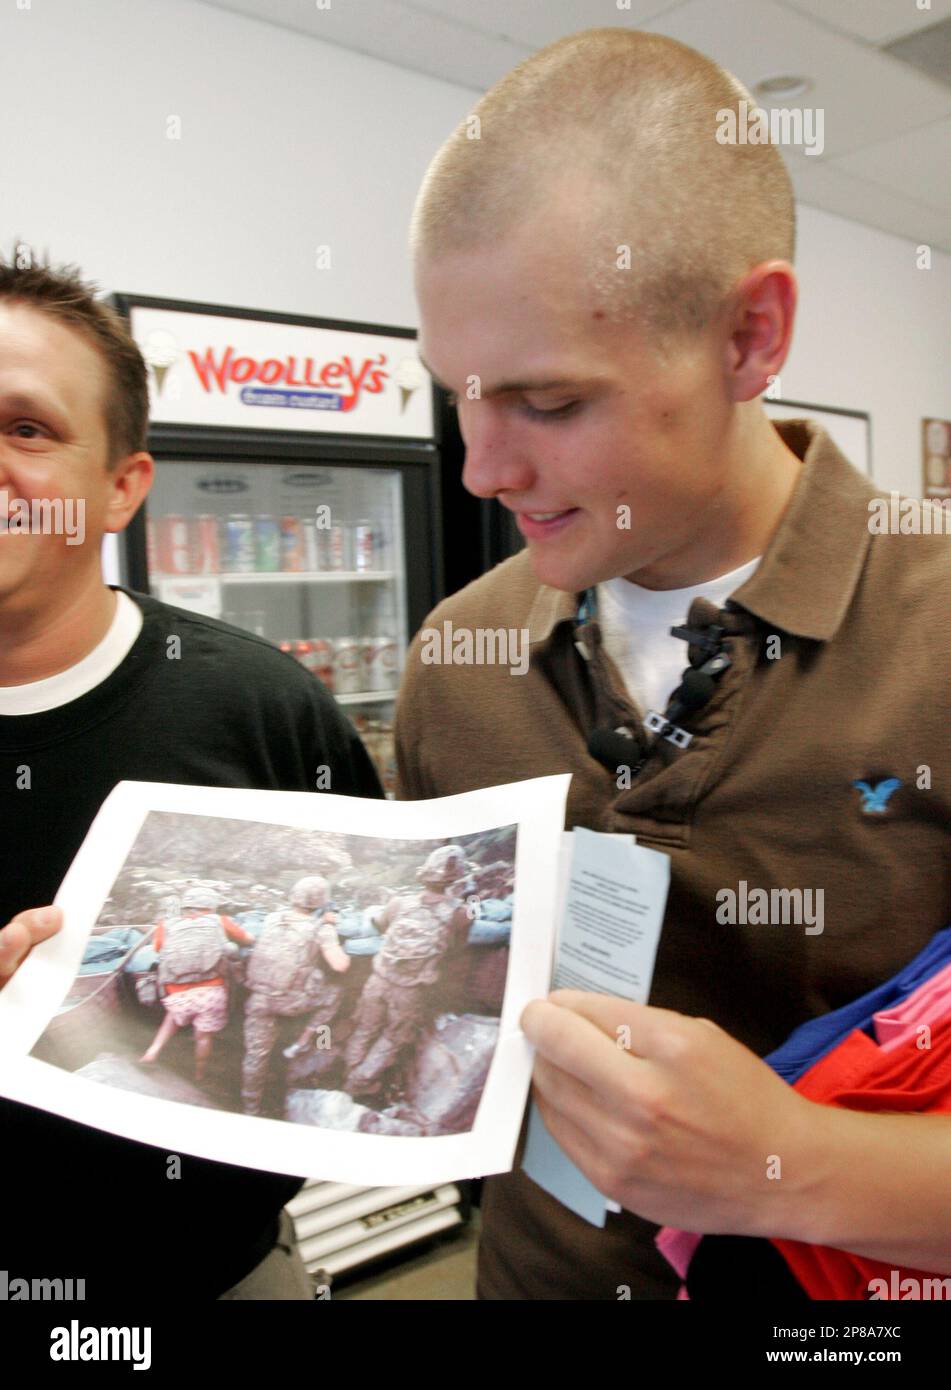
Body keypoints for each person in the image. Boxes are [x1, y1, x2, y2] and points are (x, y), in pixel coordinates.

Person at [396, 28, 951, 1298]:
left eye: (547, 403)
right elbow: (433, 1022)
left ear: (750, 337)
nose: (485, 469)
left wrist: (789, 1161)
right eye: (459, 396)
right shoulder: (458, 662)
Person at [0, 252, 383, 1300]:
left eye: (25, 428)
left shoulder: (261, 708)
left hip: (222, 1274)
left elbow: (367, 949)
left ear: (122, 486)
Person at [343, 846, 474, 1099]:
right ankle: (359, 1083)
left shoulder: (398, 903)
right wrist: (471, 897)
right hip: (409, 990)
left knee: (364, 1029)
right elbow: (457, 949)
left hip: (378, 979)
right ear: (455, 879)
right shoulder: (459, 913)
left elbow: (380, 926)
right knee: (393, 1037)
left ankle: (349, 1073)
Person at [241, 874, 350, 1113]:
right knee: (335, 994)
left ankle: (251, 1108)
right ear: (321, 903)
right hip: (291, 1002)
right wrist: (330, 927)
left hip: (259, 999)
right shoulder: (321, 928)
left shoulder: (272, 919)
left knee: (255, 1056)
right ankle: (315, 1042)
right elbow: (339, 965)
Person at [140, 885, 255, 1080]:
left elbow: (158, 949)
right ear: (210, 906)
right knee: (203, 1036)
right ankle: (200, 1073)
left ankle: (153, 1051)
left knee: (171, 1018)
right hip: (212, 992)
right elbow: (248, 939)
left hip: (176, 993)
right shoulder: (220, 921)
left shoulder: (167, 925)